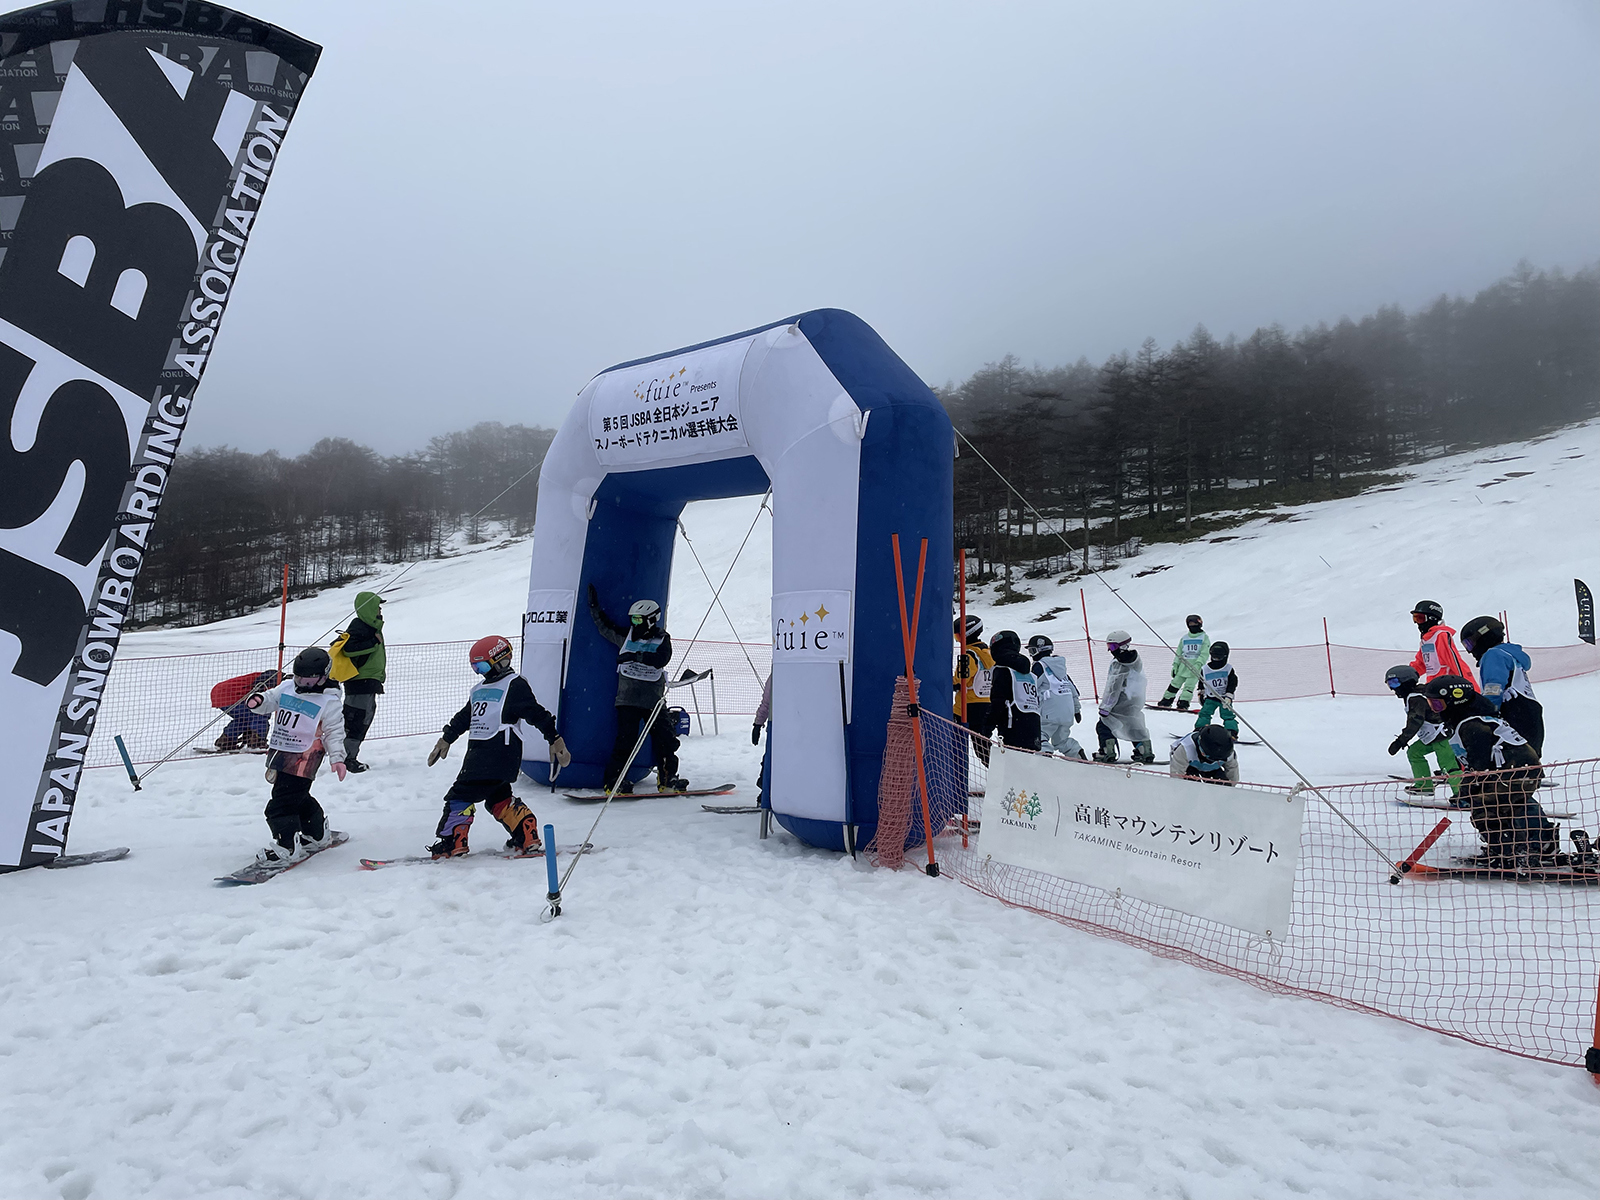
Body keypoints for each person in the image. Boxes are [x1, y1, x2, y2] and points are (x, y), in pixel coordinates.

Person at [424, 635, 570, 859]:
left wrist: (554, 738)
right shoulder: (479, 689)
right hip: (488, 755)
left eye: (482, 666)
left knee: (460, 795)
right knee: (498, 796)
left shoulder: (514, 685)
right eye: (475, 668)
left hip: (495, 752)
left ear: (501, 660)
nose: (480, 672)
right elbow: (465, 717)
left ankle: (453, 841)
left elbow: (536, 713)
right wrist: (446, 738)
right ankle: (525, 833)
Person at [1422, 674, 1555, 867]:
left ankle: (1505, 851)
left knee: (1485, 807)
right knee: (1517, 803)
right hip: (1520, 770)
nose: (1436, 710)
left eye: (1438, 705)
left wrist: (1466, 789)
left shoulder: (1473, 724)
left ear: (1455, 700)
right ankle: (1541, 843)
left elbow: (1479, 766)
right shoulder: (1473, 719)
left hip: (1513, 770)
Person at [243, 647, 347, 866]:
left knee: (280, 804)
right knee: (297, 796)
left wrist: (337, 758)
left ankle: (287, 847)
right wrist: (259, 701)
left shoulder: (328, 701)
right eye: (299, 678)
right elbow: (271, 699)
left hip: (305, 759)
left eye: (309, 681)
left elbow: (335, 732)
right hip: (282, 753)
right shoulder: (288, 687)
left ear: (323, 677)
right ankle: (316, 833)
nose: (303, 684)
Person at [588, 584, 687, 794]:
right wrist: (595, 608)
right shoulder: (626, 636)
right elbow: (605, 627)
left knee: (666, 740)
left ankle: (667, 779)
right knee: (626, 741)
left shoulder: (662, 639)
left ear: (651, 620)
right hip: (628, 699)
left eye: (638, 620)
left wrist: (635, 656)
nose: (634, 624)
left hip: (653, 700)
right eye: (633, 619)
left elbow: (661, 659)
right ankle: (614, 781)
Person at [1460, 615, 1544, 756]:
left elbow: (1493, 687)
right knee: (1529, 760)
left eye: (1469, 644)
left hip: (1514, 714)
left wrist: (1487, 713)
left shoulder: (1494, 655)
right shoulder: (1509, 654)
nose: (1469, 650)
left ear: (1483, 637)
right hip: (1529, 714)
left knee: (1513, 760)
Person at [1384, 664, 1463, 800]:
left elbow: (1415, 722)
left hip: (1443, 737)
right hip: (1432, 736)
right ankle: (1424, 785)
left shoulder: (1416, 698)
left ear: (1406, 681)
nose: (1393, 688)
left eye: (1395, 683)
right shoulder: (1417, 693)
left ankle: (1463, 795)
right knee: (1414, 752)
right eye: (1389, 684)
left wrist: (1401, 741)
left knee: (1448, 765)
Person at [338, 591, 386, 773]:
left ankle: (345, 756)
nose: (380, 610)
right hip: (360, 681)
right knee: (356, 720)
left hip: (367, 681)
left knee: (361, 718)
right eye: (377, 606)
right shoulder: (361, 626)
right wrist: (373, 642)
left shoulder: (370, 626)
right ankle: (346, 758)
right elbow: (349, 649)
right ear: (369, 607)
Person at [1093, 631, 1154, 764]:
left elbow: (1113, 688)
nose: (1110, 650)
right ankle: (1144, 749)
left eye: (1113, 647)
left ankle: (1107, 750)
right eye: (1109, 646)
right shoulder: (1135, 660)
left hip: (1119, 702)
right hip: (1134, 701)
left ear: (1123, 646)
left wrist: (1105, 707)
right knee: (1133, 724)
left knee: (1104, 725)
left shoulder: (1119, 664)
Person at [1026, 634, 1084, 758]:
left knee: (1041, 735)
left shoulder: (1039, 666)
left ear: (1039, 650)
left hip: (1049, 713)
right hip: (1067, 713)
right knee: (1061, 740)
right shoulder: (1061, 669)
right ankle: (1078, 756)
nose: (1031, 655)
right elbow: (1073, 690)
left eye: (1032, 651)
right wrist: (1077, 710)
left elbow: (1032, 686)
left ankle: (1045, 757)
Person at [988, 630, 1042, 751]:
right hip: (1033, 726)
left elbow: (998, 701)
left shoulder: (1003, 670)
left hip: (1012, 728)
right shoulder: (1030, 674)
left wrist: (987, 726)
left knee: (1012, 761)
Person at [953, 615, 996, 765]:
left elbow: (960, 679)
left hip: (968, 706)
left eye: (958, 636)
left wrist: (951, 683)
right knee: (983, 744)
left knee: (960, 744)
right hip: (988, 703)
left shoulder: (969, 655)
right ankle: (997, 769)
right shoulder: (989, 652)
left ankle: (999, 772)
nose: (957, 640)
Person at [1409, 600, 1472, 683]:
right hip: (1433, 684)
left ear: (1432, 619)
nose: (1417, 623)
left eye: (1420, 618)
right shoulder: (1427, 639)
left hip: (1446, 684)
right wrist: (1406, 675)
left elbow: (1455, 663)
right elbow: (1421, 663)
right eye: (1415, 618)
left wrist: (1471, 686)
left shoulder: (1440, 636)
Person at [1156, 614, 1209, 710]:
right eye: (1190, 624)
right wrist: (1175, 665)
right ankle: (1166, 700)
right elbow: (1179, 652)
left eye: (1195, 624)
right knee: (1175, 683)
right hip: (1183, 666)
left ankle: (1184, 702)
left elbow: (1205, 653)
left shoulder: (1204, 638)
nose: (1193, 626)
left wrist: (1198, 664)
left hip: (1195, 667)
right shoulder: (1185, 638)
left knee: (1189, 686)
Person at [1192, 641, 1239, 739]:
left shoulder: (1228, 669)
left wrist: (1229, 695)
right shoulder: (1205, 669)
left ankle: (1231, 731)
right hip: (1211, 698)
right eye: (1214, 657)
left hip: (1224, 698)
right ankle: (1201, 728)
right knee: (1204, 713)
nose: (1216, 659)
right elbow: (1202, 681)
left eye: (1219, 657)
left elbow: (1232, 682)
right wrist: (1201, 693)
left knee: (1228, 714)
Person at [1169, 724, 1238, 784]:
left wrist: (1230, 790)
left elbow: (1232, 770)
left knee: (1222, 785)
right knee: (1190, 785)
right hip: (1190, 767)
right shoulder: (1186, 749)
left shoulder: (1228, 752)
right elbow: (1177, 774)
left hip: (1213, 769)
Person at [753, 673, 772, 809]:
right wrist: (757, 724)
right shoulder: (777, 675)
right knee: (770, 761)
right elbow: (766, 703)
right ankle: (765, 794)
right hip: (778, 729)